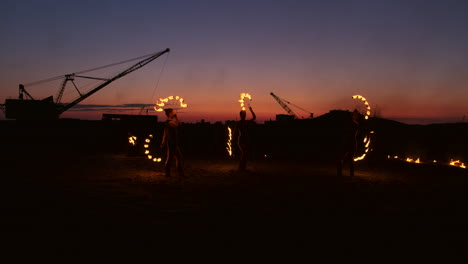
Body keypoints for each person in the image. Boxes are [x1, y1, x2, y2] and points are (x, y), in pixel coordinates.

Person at [160, 108, 184, 177]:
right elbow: (179, 125)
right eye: (173, 112)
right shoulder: (170, 122)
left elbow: (165, 133)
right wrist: (176, 117)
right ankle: (170, 173)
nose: (174, 113)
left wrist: (163, 142)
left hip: (171, 142)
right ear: (170, 113)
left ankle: (172, 173)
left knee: (177, 157)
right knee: (171, 158)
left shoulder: (167, 122)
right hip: (172, 142)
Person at [337, 109, 360, 177]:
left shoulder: (355, 124)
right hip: (349, 142)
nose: (356, 116)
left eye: (356, 115)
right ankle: (341, 174)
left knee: (349, 159)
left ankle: (349, 174)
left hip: (351, 142)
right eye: (355, 115)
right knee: (343, 158)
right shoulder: (353, 123)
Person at [233, 106, 256, 171]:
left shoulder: (246, 122)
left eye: (245, 114)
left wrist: (251, 110)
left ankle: (243, 168)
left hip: (246, 140)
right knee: (244, 153)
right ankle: (241, 168)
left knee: (245, 154)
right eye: (243, 114)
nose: (244, 116)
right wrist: (233, 140)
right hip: (241, 140)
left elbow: (254, 117)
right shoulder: (239, 123)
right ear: (240, 115)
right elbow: (235, 133)